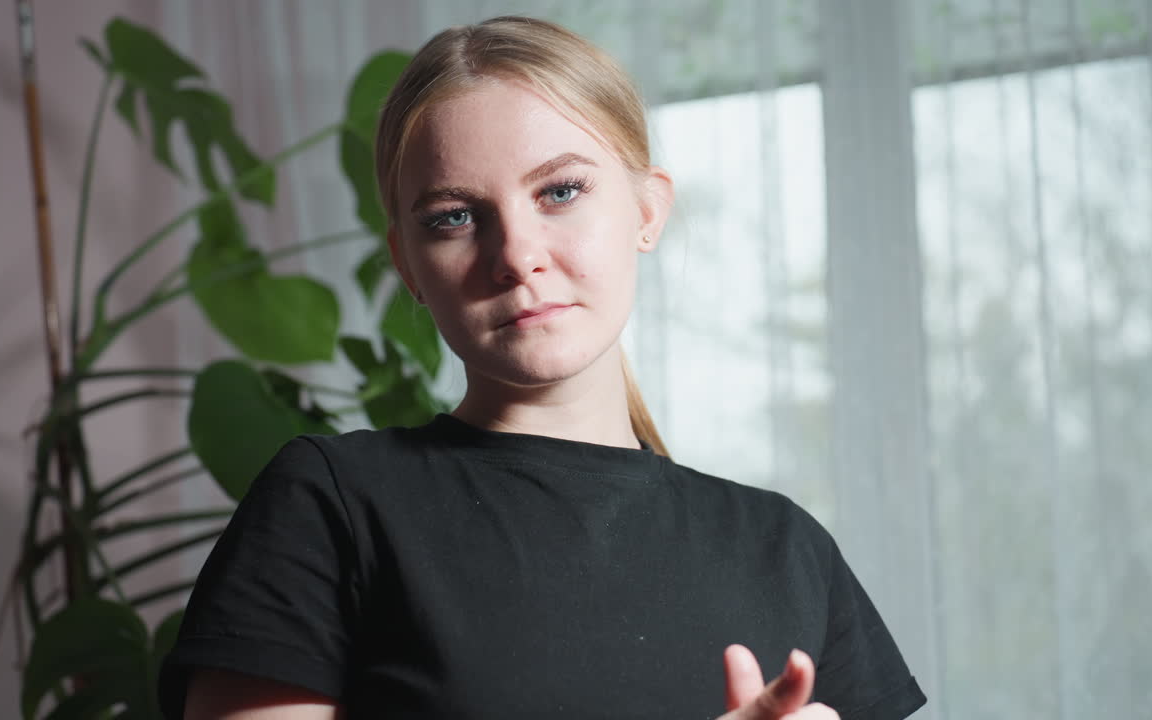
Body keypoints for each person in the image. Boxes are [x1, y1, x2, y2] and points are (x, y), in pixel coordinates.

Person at [158, 15, 927, 720]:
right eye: (455, 218)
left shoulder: (786, 550)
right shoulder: (331, 506)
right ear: (409, 267)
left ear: (647, 210)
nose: (517, 256)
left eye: (560, 191)